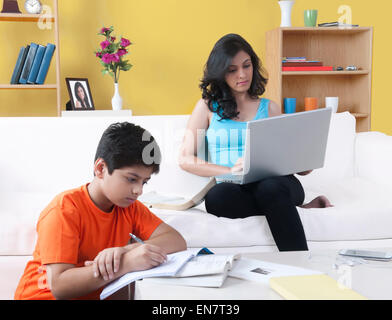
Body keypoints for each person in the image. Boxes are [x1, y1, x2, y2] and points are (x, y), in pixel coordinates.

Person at [179, 33, 332, 252]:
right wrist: (230, 169)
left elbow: (290, 159)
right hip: (233, 186)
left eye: (247, 66)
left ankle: (300, 262)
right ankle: (295, 208)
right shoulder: (207, 107)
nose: (242, 74)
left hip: (277, 183)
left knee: (270, 188)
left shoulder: (270, 108)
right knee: (217, 199)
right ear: (220, 73)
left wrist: (303, 161)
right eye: (232, 70)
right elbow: (185, 158)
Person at [15, 122, 186, 300]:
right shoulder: (64, 209)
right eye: (131, 179)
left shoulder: (129, 207)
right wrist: (126, 263)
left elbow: (176, 240)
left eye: (144, 182)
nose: (139, 190)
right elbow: (60, 287)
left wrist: (126, 250)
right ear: (101, 169)